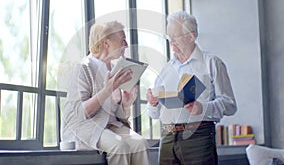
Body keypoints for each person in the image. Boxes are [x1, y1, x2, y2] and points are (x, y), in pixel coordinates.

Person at [146, 11, 238, 165]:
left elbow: (230, 105)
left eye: (175, 36)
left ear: (191, 36)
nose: (170, 41)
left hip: (198, 137)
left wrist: (203, 108)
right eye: (169, 36)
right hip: (167, 139)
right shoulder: (166, 70)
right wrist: (153, 103)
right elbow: (154, 114)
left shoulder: (212, 63)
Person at [61, 21, 150, 165]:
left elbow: (115, 115)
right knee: (119, 146)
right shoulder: (82, 68)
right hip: (85, 127)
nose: (126, 45)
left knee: (140, 144)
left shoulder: (115, 70)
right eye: (122, 40)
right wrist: (107, 90)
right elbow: (81, 112)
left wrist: (126, 105)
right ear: (106, 44)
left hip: (109, 126)